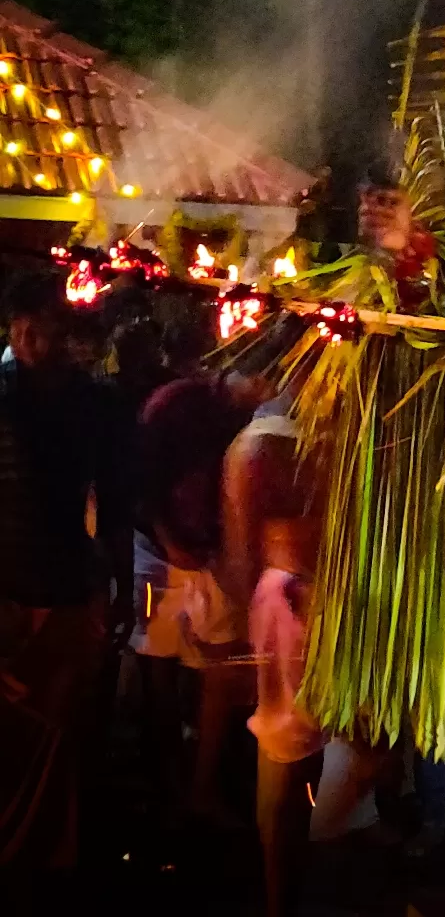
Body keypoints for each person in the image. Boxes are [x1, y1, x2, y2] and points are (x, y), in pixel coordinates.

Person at [0, 272, 133, 869]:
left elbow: (114, 501)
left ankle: (54, 861)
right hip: (8, 595)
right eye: (26, 330)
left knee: (62, 733)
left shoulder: (93, 403)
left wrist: (120, 588)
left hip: (69, 589)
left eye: (49, 331)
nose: (35, 342)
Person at [129, 362, 269, 829]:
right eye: (266, 382)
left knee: (215, 665)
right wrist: (171, 541)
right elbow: (143, 480)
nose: (269, 393)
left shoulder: (247, 419)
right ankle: (170, 773)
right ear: (248, 373)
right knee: (165, 656)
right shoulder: (179, 405)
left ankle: (201, 780)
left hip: (208, 546)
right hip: (161, 544)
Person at [221, 365, 325, 917]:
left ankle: (292, 879)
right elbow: (242, 548)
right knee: (285, 748)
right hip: (290, 606)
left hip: (324, 602)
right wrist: (243, 640)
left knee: (302, 753)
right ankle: (278, 892)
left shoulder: (336, 430)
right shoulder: (262, 445)